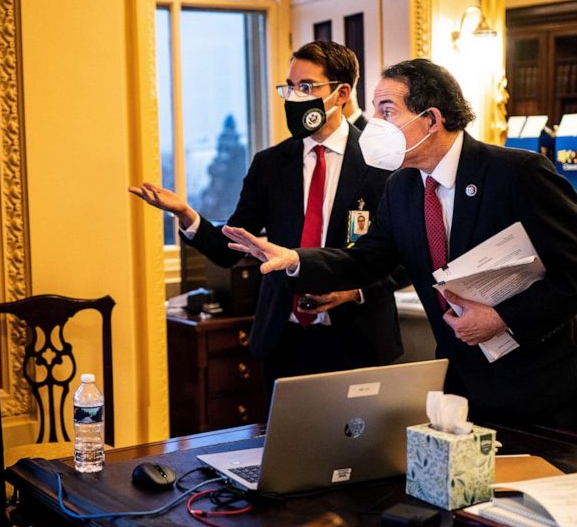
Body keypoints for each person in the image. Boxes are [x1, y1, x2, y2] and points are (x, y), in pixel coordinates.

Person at [223, 58, 577, 427]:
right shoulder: (401, 186)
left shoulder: (518, 174)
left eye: (387, 110)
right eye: (375, 108)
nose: (374, 122)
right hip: (461, 389)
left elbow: (572, 273)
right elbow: (367, 260)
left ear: (431, 119)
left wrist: (503, 318)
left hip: (541, 389)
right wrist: (296, 259)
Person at [131, 41, 404, 406]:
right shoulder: (270, 164)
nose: (294, 97)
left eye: (306, 87)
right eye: (289, 87)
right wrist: (186, 214)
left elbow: (404, 256)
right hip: (284, 340)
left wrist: (353, 292)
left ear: (341, 93)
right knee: (286, 456)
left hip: (358, 338)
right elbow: (231, 249)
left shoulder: (380, 162)